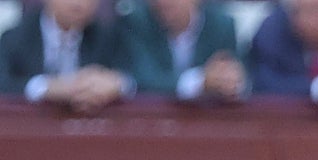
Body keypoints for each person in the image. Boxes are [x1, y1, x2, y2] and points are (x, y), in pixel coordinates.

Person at [0, 0, 134, 113]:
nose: (78, 3)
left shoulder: (106, 36)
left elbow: (132, 78)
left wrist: (115, 83)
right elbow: (5, 83)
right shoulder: (16, 37)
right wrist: (47, 87)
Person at [117, 0, 245, 102]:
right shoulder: (135, 22)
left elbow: (241, 78)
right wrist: (200, 82)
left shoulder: (222, 26)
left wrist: (230, 82)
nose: (163, 2)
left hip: (206, 123)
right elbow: (142, 79)